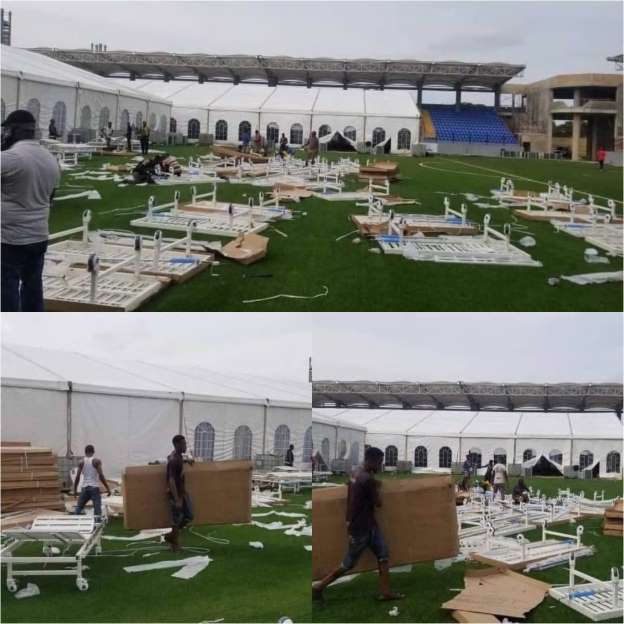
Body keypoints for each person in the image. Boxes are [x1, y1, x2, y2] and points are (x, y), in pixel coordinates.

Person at [312, 447, 405, 603]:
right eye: (379, 462)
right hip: (362, 528)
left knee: (383, 555)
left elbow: (352, 486)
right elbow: (378, 503)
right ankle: (319, 587)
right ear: (372, 461)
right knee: (349, 563)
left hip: (364, 525)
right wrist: (377, 487)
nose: (380, 465)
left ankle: (386, 592)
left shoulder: (356, 473)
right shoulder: (367, 479)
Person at [1, 110, 61, 312]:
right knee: (33, 286)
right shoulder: (50, 158)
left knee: (6, 287)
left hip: (10, 238)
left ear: (16, 130)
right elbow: (51, 197)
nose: (5, 134)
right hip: (39, 234)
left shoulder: (10, 157)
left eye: (7, 130)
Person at [166, 434, 194, 551]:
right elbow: (171, 480)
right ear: (177, 445)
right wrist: (176, 498)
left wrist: (188, 460)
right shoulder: (174, 460)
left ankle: (171, 536)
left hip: (182, 492)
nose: (185, 446)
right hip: (176, 494)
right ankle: (174, 545)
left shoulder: (178, 456)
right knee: (176, 518)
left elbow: (177, 461)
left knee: (189, 516)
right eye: (183, 444)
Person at [73, 444, 111, 522]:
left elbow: (77, 477)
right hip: (94, 488)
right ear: (93, 452)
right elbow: (101, 475)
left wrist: (75, 490)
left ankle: (75, 522)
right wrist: (107, 488)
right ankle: (97, 524)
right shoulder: (96, 461)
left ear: (85, 452)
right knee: (97, 509)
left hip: (85, 487)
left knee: (79, 507)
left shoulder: (81, 462)